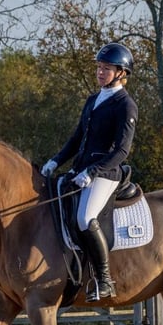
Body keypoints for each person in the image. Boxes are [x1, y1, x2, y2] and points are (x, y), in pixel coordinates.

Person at [41, 42, 138, 301]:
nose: (100, 72)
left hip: (105, 174)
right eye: (98, 67)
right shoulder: (93, 100)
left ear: (121, 73)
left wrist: (93, 171)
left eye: (106, 68)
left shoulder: (125, 106)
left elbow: (121, 151)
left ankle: (105, 280)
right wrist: (56, 160)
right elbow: (77, 138)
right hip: (80, 170)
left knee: (85, 219)